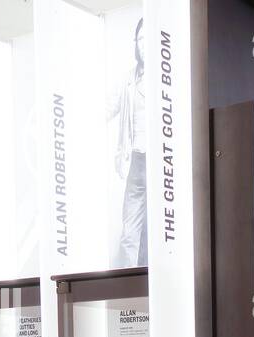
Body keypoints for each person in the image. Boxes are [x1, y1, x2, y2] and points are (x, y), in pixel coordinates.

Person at [109, 17, 147, 267]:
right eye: (140, 39)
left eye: (148, 39)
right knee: (129, 233)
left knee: (161, 232)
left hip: (164, 162)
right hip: (137, 160)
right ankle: (130, 293)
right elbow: (108, 107)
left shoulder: (171, 78)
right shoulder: (128, 79)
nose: (144, 45)